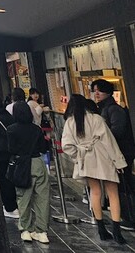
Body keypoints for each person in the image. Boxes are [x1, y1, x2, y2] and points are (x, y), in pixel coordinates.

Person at [62, 93, 127, 244]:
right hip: (104, 157)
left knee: (95, 192)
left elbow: (66, 146)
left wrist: (78, 155)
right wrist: (119, 162)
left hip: (87, 159)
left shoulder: (70, 122)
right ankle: (117, 230)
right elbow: (109, 142)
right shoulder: (96, 119)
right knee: (113, 193)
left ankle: (101, 228)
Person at [92, 78, 135, 228]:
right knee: (119, 184)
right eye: (95, 90)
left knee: (124, 184)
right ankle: (124, 214)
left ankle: (129, 216)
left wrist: (102, 138)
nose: (96, 93)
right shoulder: (104, 108)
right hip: (114, 152)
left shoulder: (113, 109)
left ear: (108, 92)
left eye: (99, 90)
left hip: (121, 152)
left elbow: (118, 130)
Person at [6, 101, 50, 243]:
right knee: (42, 198)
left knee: (23, 198)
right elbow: (43, 148)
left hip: (21, 165)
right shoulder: (36, 129)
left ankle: (25, 229)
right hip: (37, 162)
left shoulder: (11, 129)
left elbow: (11, 149)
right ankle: (42, 231)